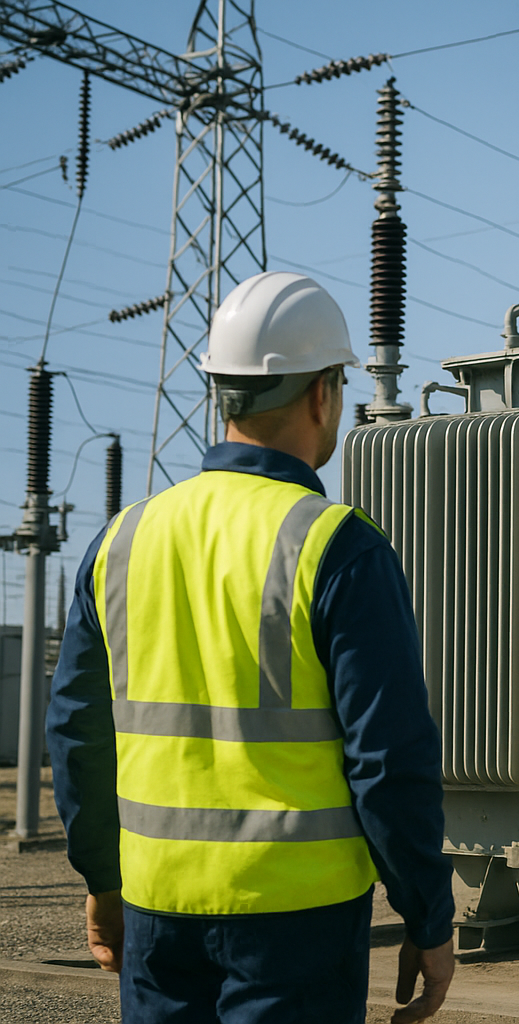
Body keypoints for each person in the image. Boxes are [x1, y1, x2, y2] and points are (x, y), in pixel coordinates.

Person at [46, 271, 456, 1024]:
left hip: (156, 905)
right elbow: (389, 764)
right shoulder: (338, 548)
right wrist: (428, 915)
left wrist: (104, 880)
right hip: (296, 924)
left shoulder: (122, 542)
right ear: (323, 393)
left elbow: (76, 734)